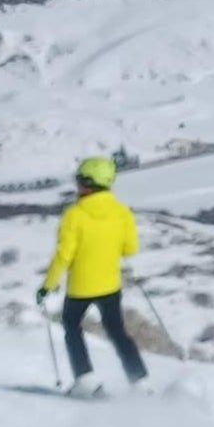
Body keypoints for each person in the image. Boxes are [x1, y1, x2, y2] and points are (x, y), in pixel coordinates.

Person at [36, 154, 148, 394]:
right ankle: (140, 381)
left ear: (87, 183)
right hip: (111, 285)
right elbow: (130, 249)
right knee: (117, 332)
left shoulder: (74, 215)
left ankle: (85, 380)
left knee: (72, 326)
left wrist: (47, 286)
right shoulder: (122, 212)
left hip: (80, 288)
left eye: (79, 180)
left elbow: (64, 256)